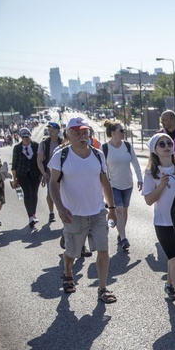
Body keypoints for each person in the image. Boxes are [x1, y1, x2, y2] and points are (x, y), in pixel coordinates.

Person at [49, 117, 118, 303]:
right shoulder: (61, 156)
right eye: (77, 133)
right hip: (73, 215)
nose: (82, 136)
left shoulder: (97, 154)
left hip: (97, 212)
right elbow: (53, 185)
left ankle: (102, 289)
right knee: (73, 252)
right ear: (69, 135)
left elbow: (105, 182)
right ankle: (68, 271)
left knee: (103, 249)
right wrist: (60, 208)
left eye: (85, 132)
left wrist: (111, 208)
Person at [142, 133, 175, 316]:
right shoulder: (151, 173)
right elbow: (148, 200)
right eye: (161, 144)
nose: (166, 146)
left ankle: (169, 285)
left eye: (169, 142)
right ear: (154, 150)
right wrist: (161, 186)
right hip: (163, 224)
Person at [102, 120, 142, 252]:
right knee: (118, 209)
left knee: (124, 210)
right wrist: (103, 186)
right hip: (113, 185)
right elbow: (103, 169)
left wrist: (140, 179)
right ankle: (124, 238)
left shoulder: (127, 146)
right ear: (113, 133)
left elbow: (135, 163)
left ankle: (120, 234)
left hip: (128, 184)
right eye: (121, 131)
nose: (124, 133)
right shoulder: (105, 148)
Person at [11, 127, 42, 228]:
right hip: (22, 174)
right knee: (27, 193)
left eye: (27, 137)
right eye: (23, 137)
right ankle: (30, 216)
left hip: (35, 174)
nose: (26, 139)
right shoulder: (17, 148)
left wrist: (43, 173)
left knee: (34, 193)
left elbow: (41, 161)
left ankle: (33, 213)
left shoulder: (36, 146)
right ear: (20, 137)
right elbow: (14, 165)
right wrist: (14, 179)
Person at [36, 121, 62, 223]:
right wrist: (43, 173)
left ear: (58, 131)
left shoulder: (63, 142)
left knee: (64, 194)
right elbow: (39, 160)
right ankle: (51, 212)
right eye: (49, 131)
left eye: (53, 131)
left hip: (63, 173)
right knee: (50, 192)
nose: (50, 133)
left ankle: (64, 211)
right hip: (49, 173)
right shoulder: (44, 144)